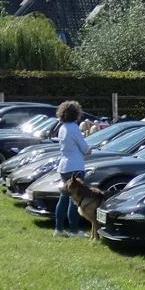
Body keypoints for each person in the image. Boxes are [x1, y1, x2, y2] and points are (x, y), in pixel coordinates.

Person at [51, 100, 91, 237]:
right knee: (74, 200)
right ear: (76, 114)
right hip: (75, 167)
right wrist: (90, 148)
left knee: (63, 198)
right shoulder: (74, 128)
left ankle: (59, 229)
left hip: (64, 166)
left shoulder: (62, 127)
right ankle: (74, 230)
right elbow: (85, 149)